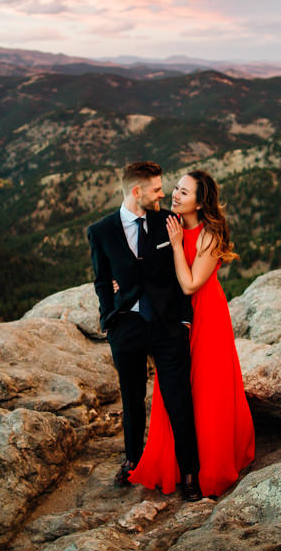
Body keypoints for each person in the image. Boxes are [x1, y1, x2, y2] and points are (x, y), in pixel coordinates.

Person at [128, 170, 255, 497]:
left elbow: (189, 284)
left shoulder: (210, 234)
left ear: (200, 201)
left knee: (206, 388)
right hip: (171, 319)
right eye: (176, 189)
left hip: (206, 316)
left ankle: (209, 466)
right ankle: (174, 462)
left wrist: (174, 245)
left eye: (184, 193)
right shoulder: (167, 221)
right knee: (175, 390)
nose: (175, 195)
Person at [87, 161, 203, 502]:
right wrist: (109, 317)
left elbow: (183, 265)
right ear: (137, 192)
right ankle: (132, 460)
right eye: (156, 189)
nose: (163, 193)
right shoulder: (101, 231)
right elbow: (100, 279)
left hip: (168, 326)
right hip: (127, 327)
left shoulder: (169, 221)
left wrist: (184, 320)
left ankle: (189, 472)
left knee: (178, 399)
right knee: (132, 398)